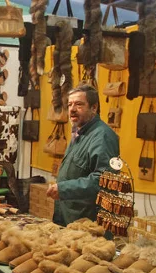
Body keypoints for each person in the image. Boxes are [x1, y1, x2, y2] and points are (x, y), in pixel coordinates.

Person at [47, 85, 120, 227]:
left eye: (79, 104)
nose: (72, 109)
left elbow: (105, 181)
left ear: (94, 107)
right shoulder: (78, 132)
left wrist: (64, 189)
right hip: (71, 218)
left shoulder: (102, 136)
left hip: (90, 225)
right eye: (69, 104)